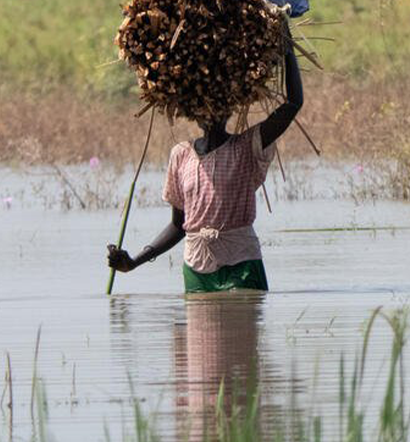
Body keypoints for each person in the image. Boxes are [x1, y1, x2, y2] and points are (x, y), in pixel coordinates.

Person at [106, 41, 303, 292]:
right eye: (204, 106)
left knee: (244, 326)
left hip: (241, 263)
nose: (211, 113)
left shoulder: (246, 147)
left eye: (219, 105)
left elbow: (293, 104)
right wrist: (133, 262)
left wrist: (287, 49)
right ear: (194, 112)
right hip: (197, 268)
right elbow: (179, 226)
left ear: (229, 109)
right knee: (199, 331)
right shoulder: (181, 155)